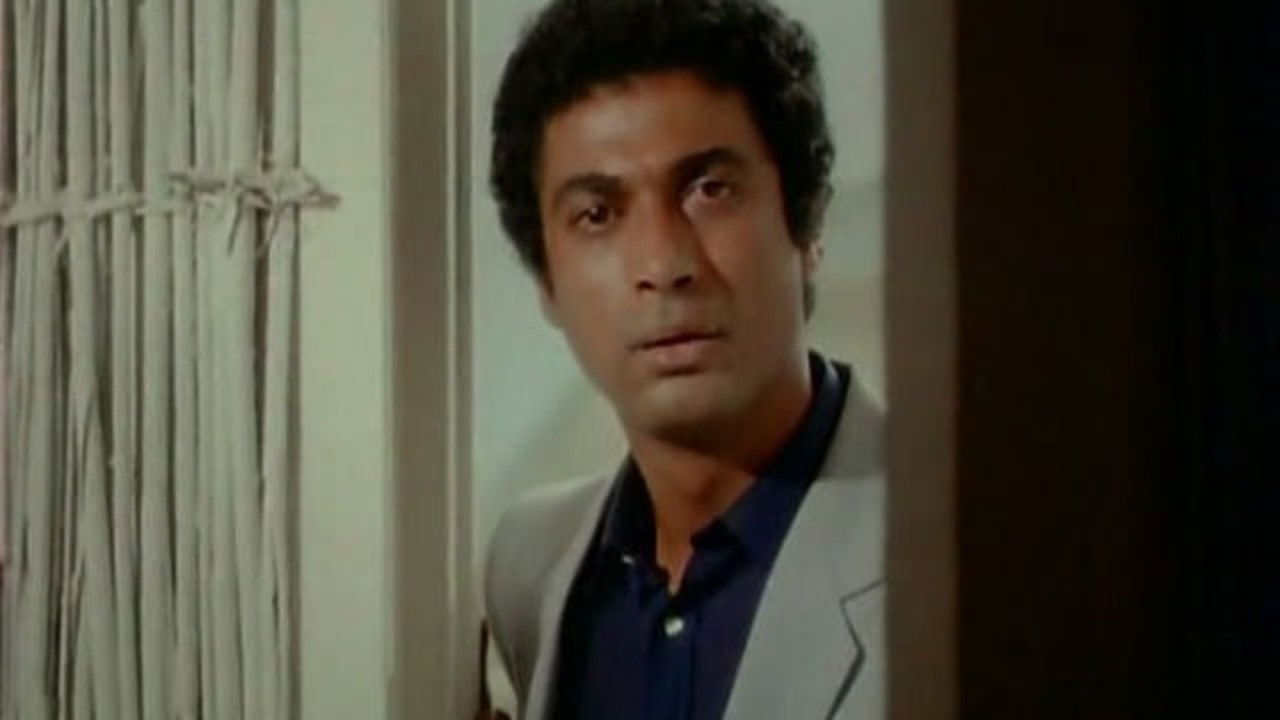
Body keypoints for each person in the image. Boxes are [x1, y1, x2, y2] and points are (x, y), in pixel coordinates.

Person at [483, 1, 885, 718]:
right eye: (598, 214)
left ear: (805, 226)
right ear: (546, 279)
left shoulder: (958, 557)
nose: (664, 264)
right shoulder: (531, 565)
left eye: (709, 190)